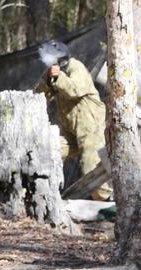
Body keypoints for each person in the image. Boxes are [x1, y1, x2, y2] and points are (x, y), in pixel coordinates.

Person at [35, 40, 112, 201]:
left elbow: (75, 90)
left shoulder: (76, 67)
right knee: (48, 150)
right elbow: (37, 96)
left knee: (90, 163)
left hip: (91, 125)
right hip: (71, 129)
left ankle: (106, 203)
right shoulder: (53, 72)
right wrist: (49, 81)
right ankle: (41, 196)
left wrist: (59, 77)